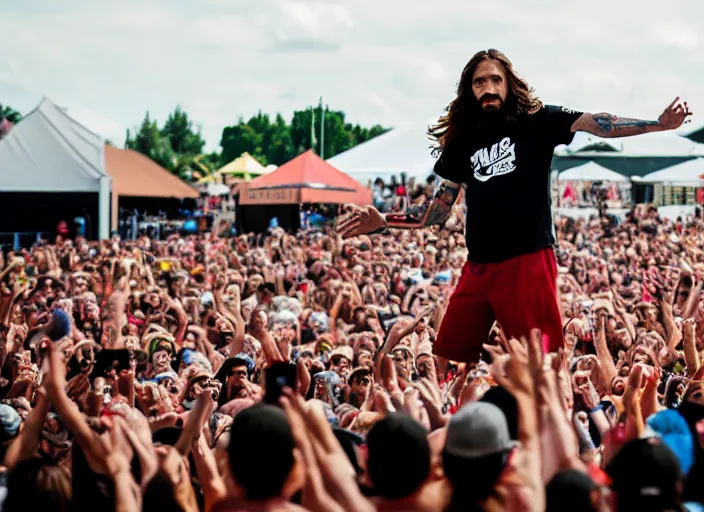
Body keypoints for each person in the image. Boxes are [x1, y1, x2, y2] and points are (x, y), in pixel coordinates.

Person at [336, 48, 692, 363]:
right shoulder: (462, 138)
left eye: (495, 79)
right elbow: (439, 209)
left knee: (543, 363)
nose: (488, 88)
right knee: (446, 359)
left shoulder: (539, 120)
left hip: (527, 261)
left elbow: (601, 124)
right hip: (477, 268)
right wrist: (385, 221)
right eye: (479, 82)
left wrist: (658, 125)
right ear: (469, 89)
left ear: (508, 83)